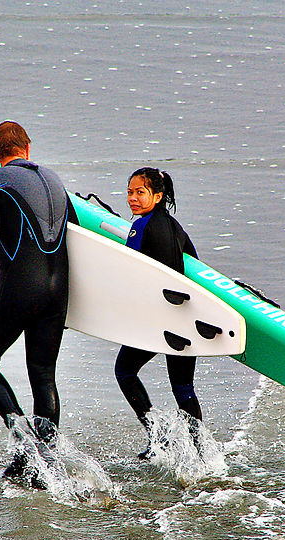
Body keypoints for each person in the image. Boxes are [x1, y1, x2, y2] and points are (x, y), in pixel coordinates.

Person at [0, 121, 76, 465]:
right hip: (59, 292)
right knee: (43, 373)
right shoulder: (55, 180)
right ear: (27, 148)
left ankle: (26, 450)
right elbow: (79, 239)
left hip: (21, 288)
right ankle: (48, 463)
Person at [114, 167, 202, 458]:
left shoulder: (141, 227)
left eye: (140, 192)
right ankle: (203, 455)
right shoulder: (176, 227)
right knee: (183, 387)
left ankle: (158, 437)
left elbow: (131, 272)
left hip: (161, 319)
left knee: (125, 370)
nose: (133, 199)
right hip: (185, 318)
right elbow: (195, 266)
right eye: (130, 192)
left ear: (158, 195)